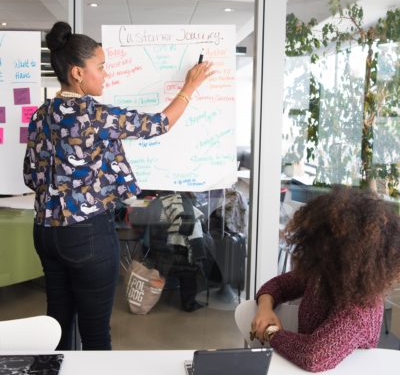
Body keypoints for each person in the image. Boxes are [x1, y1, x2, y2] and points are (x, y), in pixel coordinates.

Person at [23, 21, 213, 350]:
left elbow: (30, 175)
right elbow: (159, 124)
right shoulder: (95, 115)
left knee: (57, 326)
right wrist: (189, 87)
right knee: (96, 334)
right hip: (87, 236)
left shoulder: (41, 115)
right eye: (101, 67)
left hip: (45, 232)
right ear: (77, 73)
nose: (106, 74)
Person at [251, 186, 400, 372]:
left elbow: (313, 356)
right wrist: (265, 310)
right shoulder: (323, 274)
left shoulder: (362, 309)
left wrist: (269, 332)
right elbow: (278, 285)